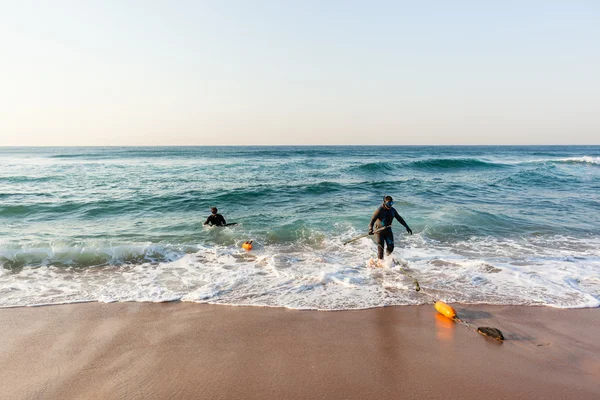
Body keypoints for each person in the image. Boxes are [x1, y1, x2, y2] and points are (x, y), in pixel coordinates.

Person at [368, 195, 412, 260]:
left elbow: (399, 218)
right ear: (384, 202)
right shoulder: (379, 210)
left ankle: (387, 260)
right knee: (381, 249)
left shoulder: (393, 210)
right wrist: (370, 229)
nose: (390, 205)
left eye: (391, 203)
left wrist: (406, 226)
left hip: (388, 231)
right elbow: (372, 221)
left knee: (391, 247)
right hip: (379, 232)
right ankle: (380, 264)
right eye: (388, 203)